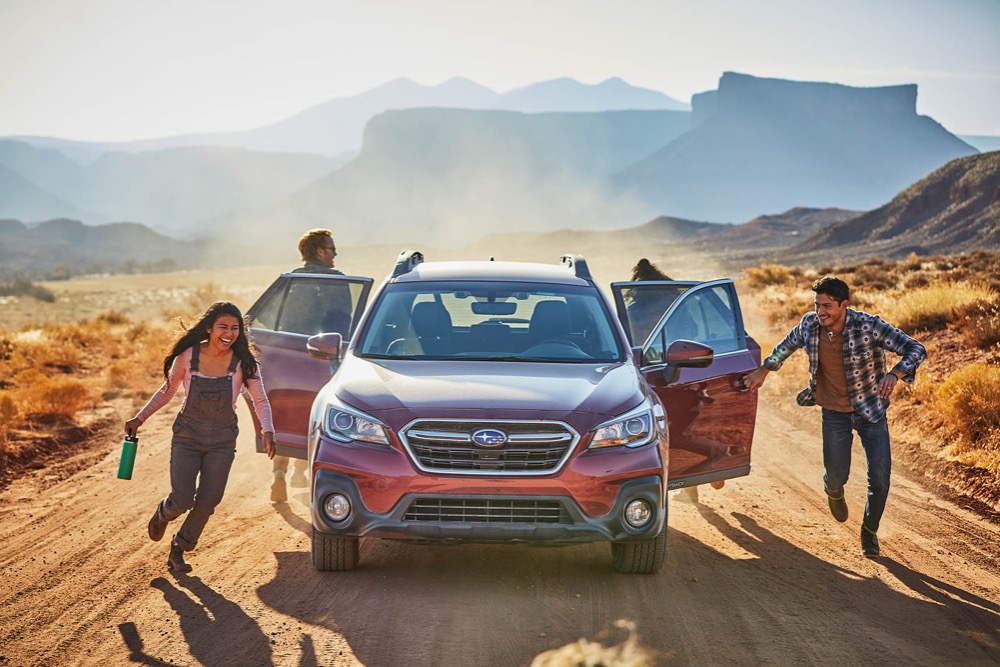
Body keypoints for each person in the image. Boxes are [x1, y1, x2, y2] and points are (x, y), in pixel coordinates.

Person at [743, 276, 926, 557]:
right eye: (817, 305)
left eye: (827, 306)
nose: (821, 311)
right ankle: (834, 492)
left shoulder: (868, 326)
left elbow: (916, 349)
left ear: (844, 305)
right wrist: (764, 371)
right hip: (834, 413)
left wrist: (895, 374)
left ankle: (869, 531)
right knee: (836, 476)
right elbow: (785, 346)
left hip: (871, 410)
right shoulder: (809, 325)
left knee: (880, 479)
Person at [125, 301, 276, 572]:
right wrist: (140, 418)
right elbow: (167, 391)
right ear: (209, 328)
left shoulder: (245, 364)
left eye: (234, 328)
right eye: (222, 327)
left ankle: (179, 547)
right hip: (187, 436)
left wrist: (268, 430)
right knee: (183, 499)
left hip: (222, 440)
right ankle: (164, 513)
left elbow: (260, 400)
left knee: (208, 500)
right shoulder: (188, 356)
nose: (229, 333)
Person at [269, 228, 342, 502]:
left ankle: (279, 473)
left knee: (286, 415)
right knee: (315, 414)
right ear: (320, 251)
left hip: (287, 357)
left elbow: (272, 320)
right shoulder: (337, 281)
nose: (335, 254)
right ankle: (305, 473)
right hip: (322, 357)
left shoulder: (291, 282)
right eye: (332, 249)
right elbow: (345, 321)